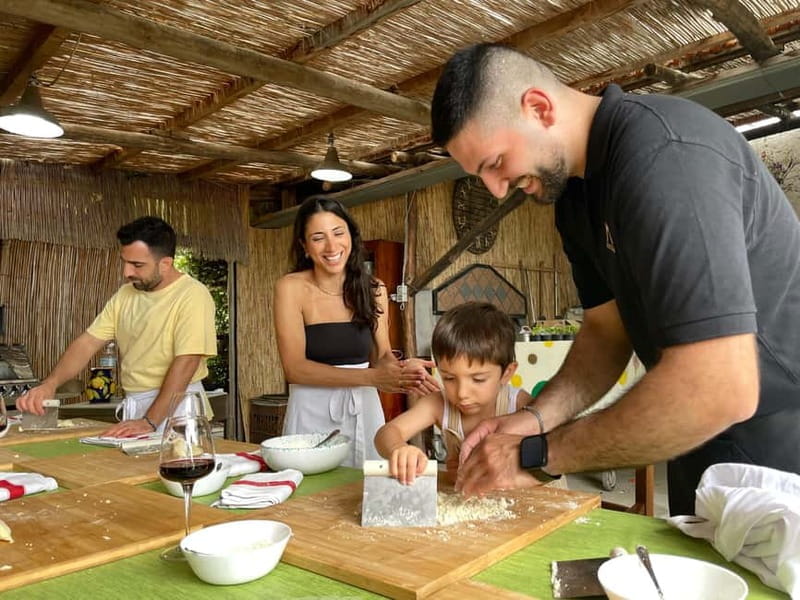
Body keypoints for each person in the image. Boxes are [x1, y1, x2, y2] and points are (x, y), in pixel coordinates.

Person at [431, 42, 800, 515]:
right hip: (694, 445)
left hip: (779, 451)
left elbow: (720, 386)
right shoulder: (574, 199)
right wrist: (534, 420)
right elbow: (606, 333)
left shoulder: (665, 156)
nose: (497, 190)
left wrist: (541, 455)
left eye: (496, 163)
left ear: (538, 108)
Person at [274, 197, 436, 468]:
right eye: (318, 238)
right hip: (309, 407)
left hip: (363, 405)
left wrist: (402, 370)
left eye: (339, 233)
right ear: (304, 246)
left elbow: (382, 354)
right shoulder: (290, 288)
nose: (332, 246)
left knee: (360, 490)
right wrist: (373, 376)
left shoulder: (374, 289)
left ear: (351, 235)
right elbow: (295, 368)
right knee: (309, 494)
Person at [18, 216, 217, 437]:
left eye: (137, 265)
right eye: (125, 262)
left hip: (179, 410)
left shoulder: (193, 295)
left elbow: (187, 361)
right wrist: (50, 385)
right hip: (136, 407)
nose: (127, 272)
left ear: (166, 264)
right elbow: (88, 342)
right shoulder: (125, 295)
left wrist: (150, 421)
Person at [375, 301, 566, 490]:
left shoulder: (520, 405)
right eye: (449, 378)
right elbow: (386, 433)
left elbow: (557, 452)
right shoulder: (438, 405)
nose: (462, 393)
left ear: (506, 373)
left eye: (478, 379)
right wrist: (399, 450)